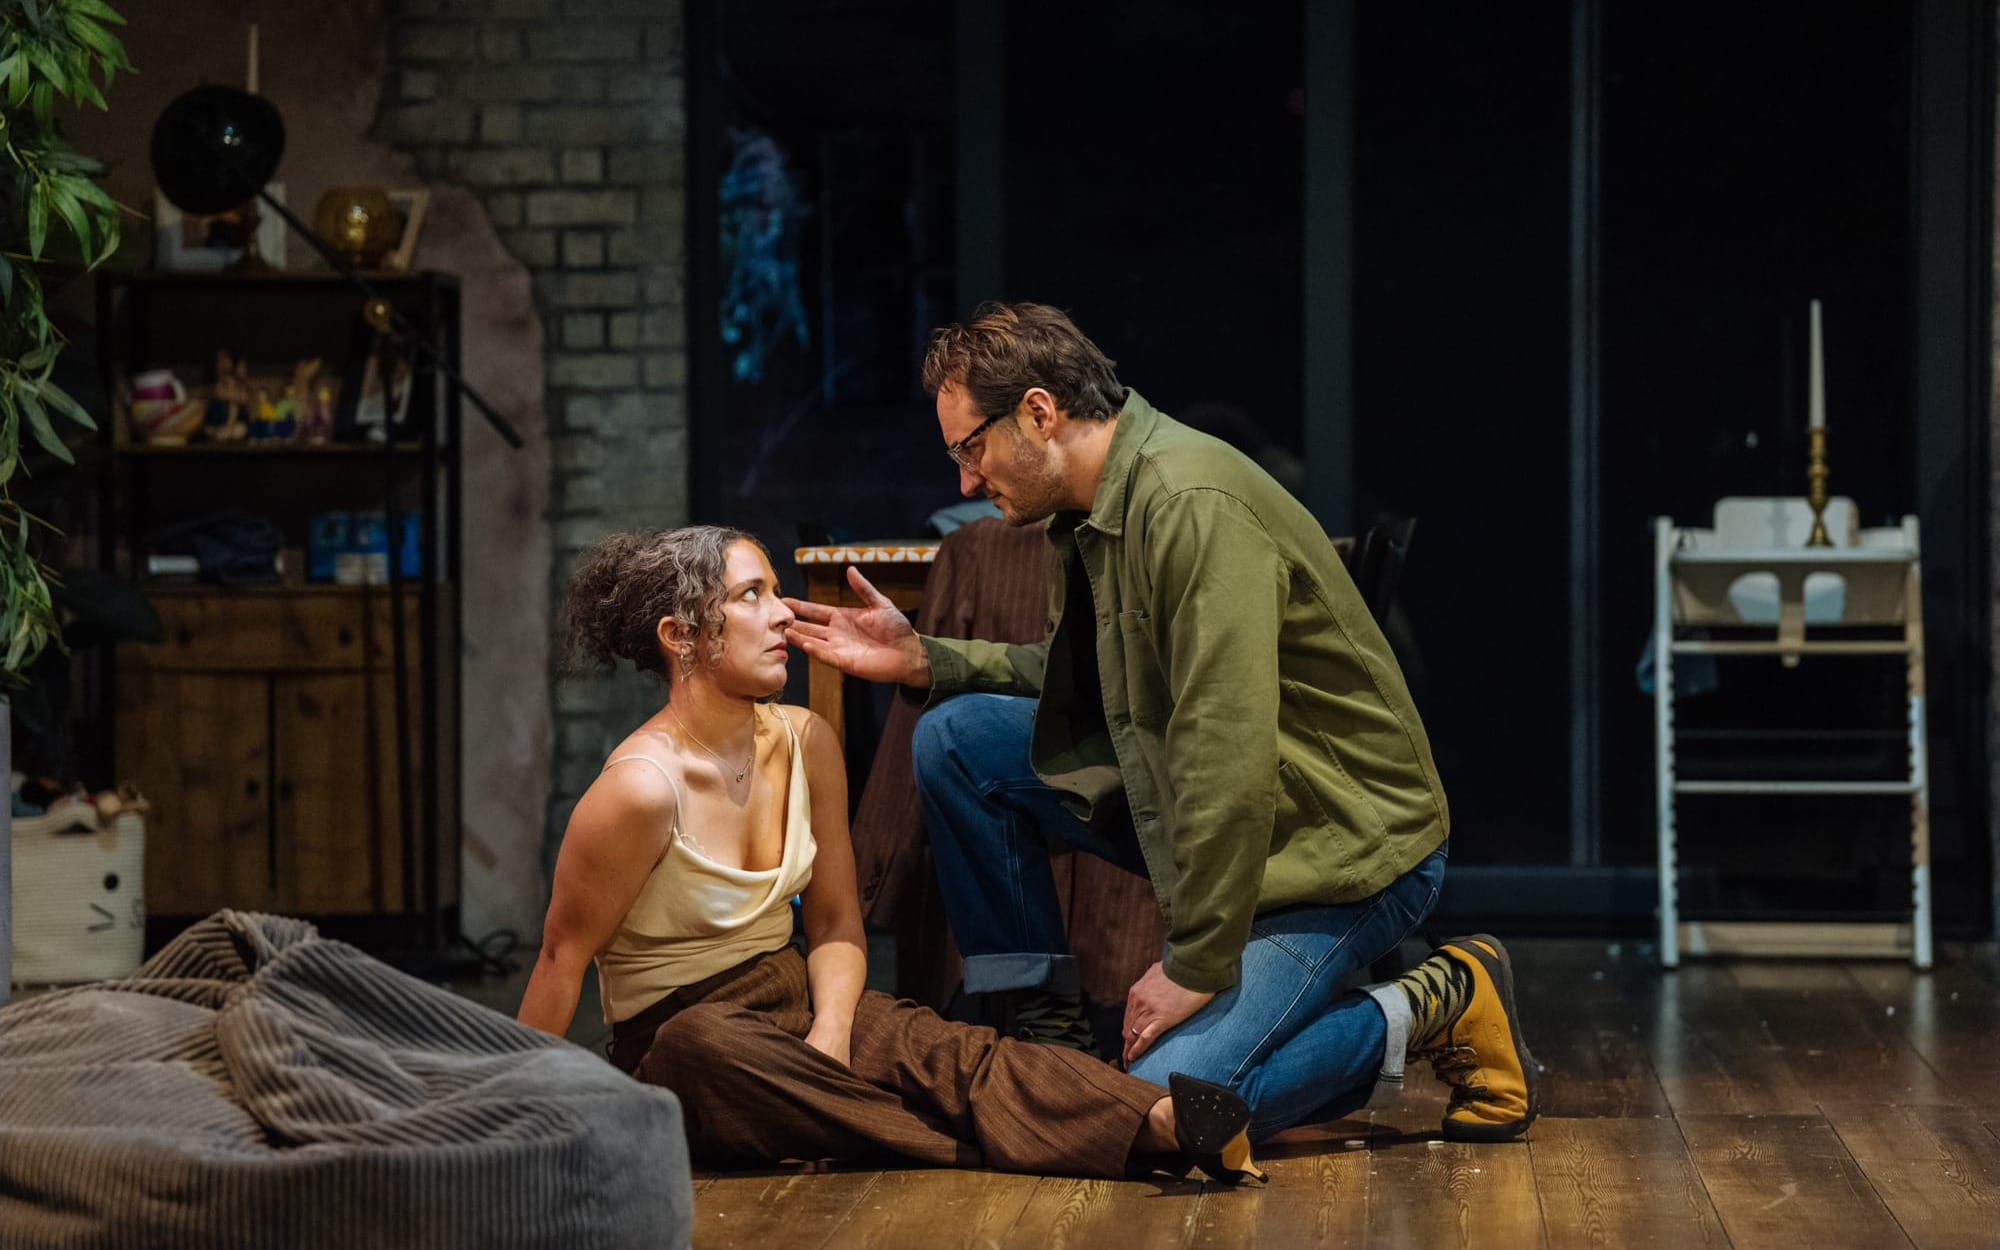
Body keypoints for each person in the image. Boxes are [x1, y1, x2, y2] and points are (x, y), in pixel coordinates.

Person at [783, 302, 1539, 1144]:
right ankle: (1049, 1031)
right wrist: (932, 661)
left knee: (1144, 1113)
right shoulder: (1091, 510)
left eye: (971, 448)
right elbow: (1093, 684)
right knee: (955, 740)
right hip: (1213, 820)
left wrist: (1196, 964)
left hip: (1338, 854)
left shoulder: (1188, 505)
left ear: (1038, 412)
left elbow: (1229, 756)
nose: (965, 480)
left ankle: (1440, 1001)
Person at [516, 525, 1264, 1182]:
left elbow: (838, 924)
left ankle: (1162, 1121)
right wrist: (513, 1120)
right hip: (689, 1046)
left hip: (793, 998)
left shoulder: (806, 741)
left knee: (940, 1051)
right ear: (680, 636)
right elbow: (560, 964)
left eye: (775, 591)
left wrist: (832, 1031)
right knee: (700, 1043)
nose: (781, 613)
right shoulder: (640, 790)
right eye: (750, 595)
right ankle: (1014, 1143)